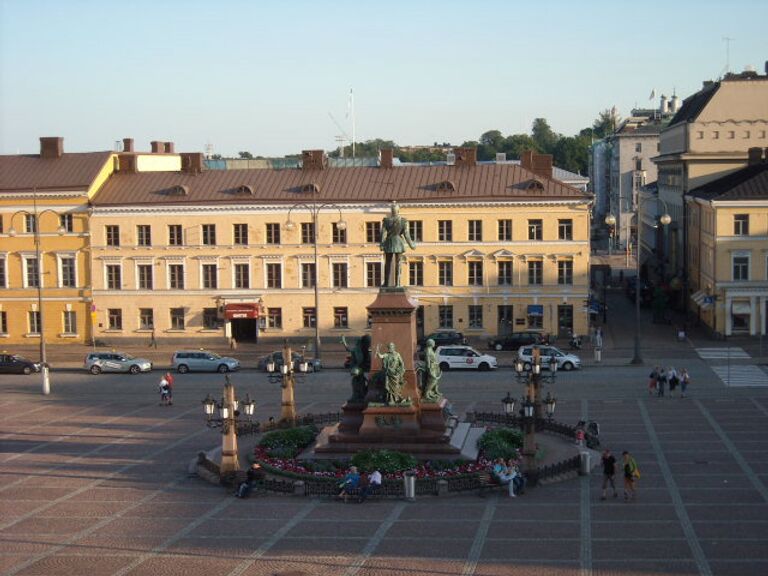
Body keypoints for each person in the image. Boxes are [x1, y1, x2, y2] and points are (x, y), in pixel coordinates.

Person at [379, 201, 416, 287]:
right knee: (398, 263)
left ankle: (386, 283)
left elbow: (383, 234)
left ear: (391, 211)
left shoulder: (386, 221)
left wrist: (381, 244)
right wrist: (411, 245)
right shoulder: (403, 221)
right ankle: (398, 283)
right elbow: (406, 235)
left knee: (387, 263)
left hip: (389, 242)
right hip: (399, 243)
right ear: (398, 210)